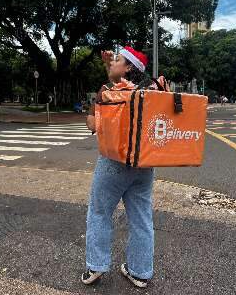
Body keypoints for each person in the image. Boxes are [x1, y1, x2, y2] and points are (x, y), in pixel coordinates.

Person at [82, 46, 166, 288]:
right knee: (141, 218)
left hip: (114, 162)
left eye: (117, 60)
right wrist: (109, 70)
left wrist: (94, 103)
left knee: (99, 212)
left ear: (128, 67)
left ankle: (95, 266)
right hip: (144, 163)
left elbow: (92, 126)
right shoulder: (151, 90)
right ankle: (140, 272)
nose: (112, 62)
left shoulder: (109, 92)